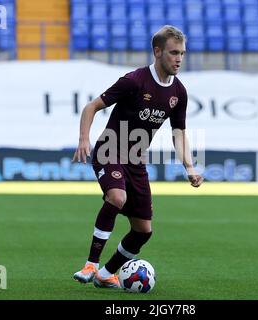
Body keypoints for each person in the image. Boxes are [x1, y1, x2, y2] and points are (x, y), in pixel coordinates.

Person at [72, 25, 203, 288]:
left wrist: (189, 166)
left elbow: (179, 133)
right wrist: (84, 139)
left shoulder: (179, 93)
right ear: (157, 52)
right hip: (109, 150)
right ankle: (90, 264)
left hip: (136, 160)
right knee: (117, 197)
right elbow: (91, 107)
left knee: (143, 231)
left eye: (182, 53)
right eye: (173, 53)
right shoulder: (135, 81)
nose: (179, 59)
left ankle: (106, 273)